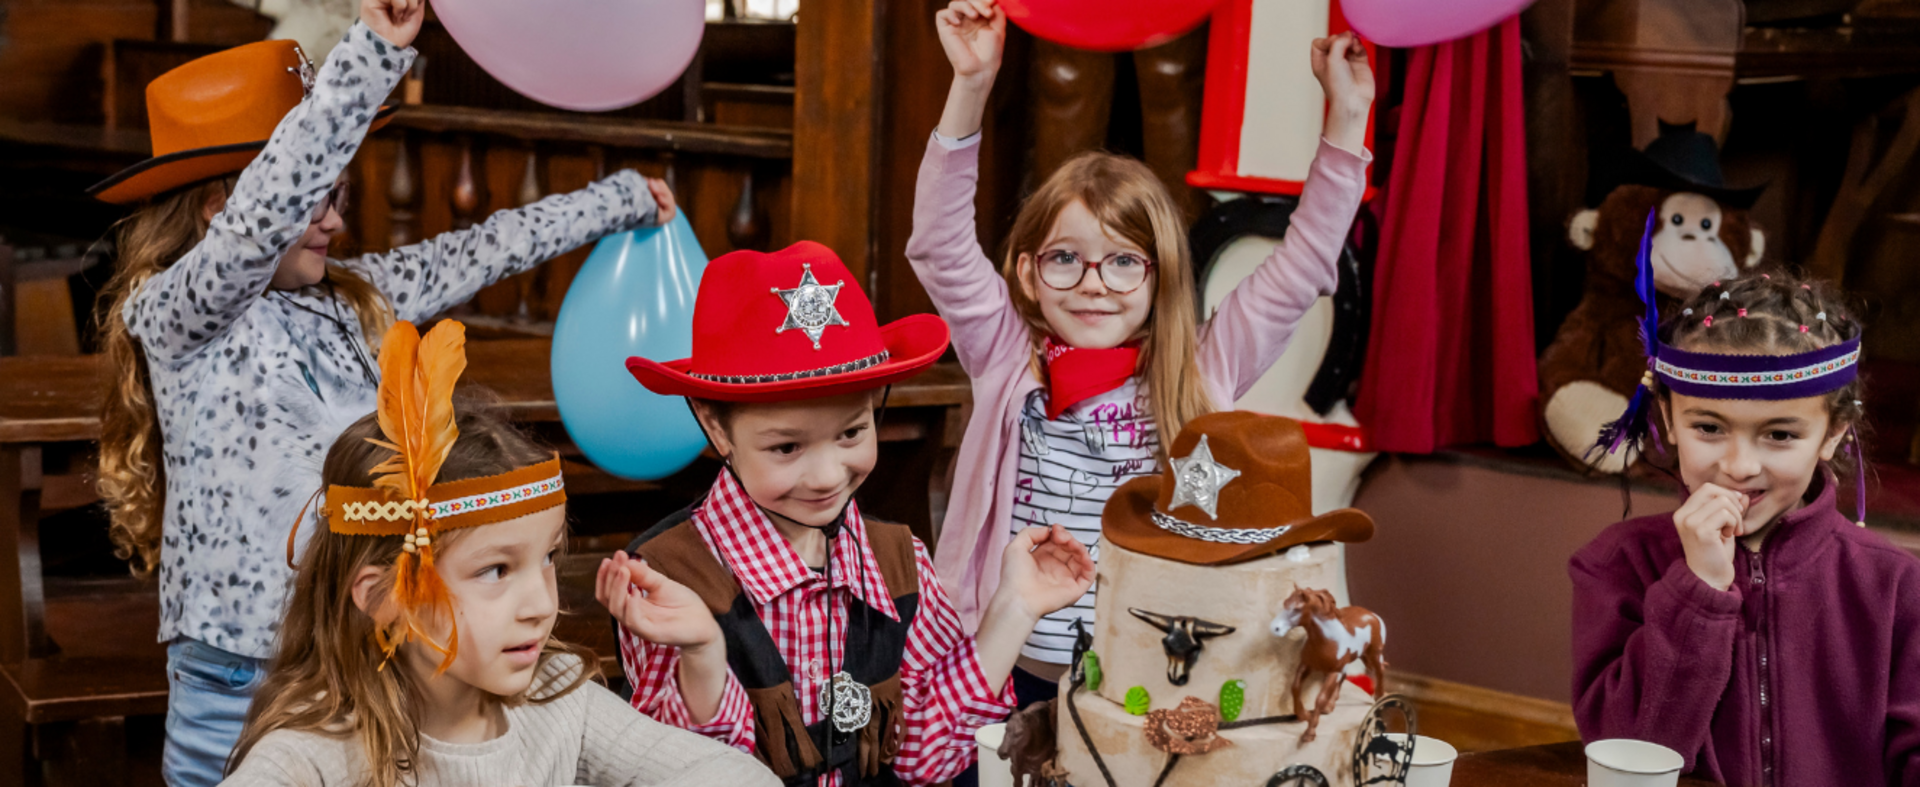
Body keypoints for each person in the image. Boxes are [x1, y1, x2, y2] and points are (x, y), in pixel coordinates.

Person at [89, 0, 674, 781]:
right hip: (239, 667)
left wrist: (621, 199)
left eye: (340, 193)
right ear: (216, 207)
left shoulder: (357, 295)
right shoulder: (176, 313)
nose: (334, 218)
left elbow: (486, 247)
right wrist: (371, 50)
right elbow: (260, 224)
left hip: (360, 644)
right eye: (315, 197)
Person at [908, 0, 1375, 705]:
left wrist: (1345, 120)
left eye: (1124, 262)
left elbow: (1303, 264)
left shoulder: (1199, 366)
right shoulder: (1008, 356)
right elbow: (941, 244)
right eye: (1066, 258)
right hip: (1007, 667)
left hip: (1142, 671)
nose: (1094, 284)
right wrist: (971, 83)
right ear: (1030, 272)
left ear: (1160, 275)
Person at [602, 241, 1097, 785]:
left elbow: (923, 758)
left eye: (852, 433)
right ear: (716, 426)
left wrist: (1015, 608)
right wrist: (703, 652)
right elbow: (674, 773)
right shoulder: (669, 579)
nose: (827, 476)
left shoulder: (896, 560)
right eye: (786, 448)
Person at [221, 319, 776, 787]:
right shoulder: (309, 758)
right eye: (495, 569)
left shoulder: (557, 700)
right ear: (386, 597)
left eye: (548, 560)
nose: (541, 603)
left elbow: (735, 776)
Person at [1571, 259, 1920, 785]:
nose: (1739, 466)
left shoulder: (1894, 585)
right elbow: (1627, 756)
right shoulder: (1616, 565)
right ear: (1668, 417)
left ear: (1832, 433)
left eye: (1780, 435)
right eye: (1709, 427)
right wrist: (1699, 591)